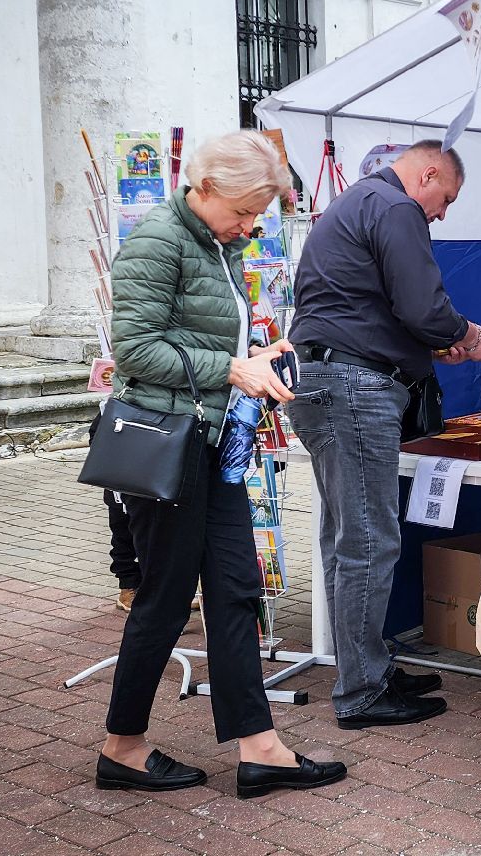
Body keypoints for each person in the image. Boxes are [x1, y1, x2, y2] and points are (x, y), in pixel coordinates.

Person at [97, 130, 345, 800]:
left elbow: (203, 334)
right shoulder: (158, 240)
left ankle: (259, 746)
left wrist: (259, 354)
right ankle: (122, 747)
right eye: (243, 208)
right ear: (202, 188)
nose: (251, 223)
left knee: (236, 588)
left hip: (214, 444)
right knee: (166, 598)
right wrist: (233, 370)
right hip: (171, 445)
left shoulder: (216, 241)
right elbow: (138, 350)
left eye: (258, 210)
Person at [286, 140, 481, 729]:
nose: (442, 214)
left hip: (325, 381)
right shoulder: (396, 206)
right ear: (427, 172)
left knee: (346, 538)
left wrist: (435, 344)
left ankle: (368, 664)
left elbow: (383, 310)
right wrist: (468, 336)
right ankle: (362, 691)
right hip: (353, 388)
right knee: (368, 542)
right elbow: (423, 308)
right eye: (446, 199)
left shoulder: (356, 203)